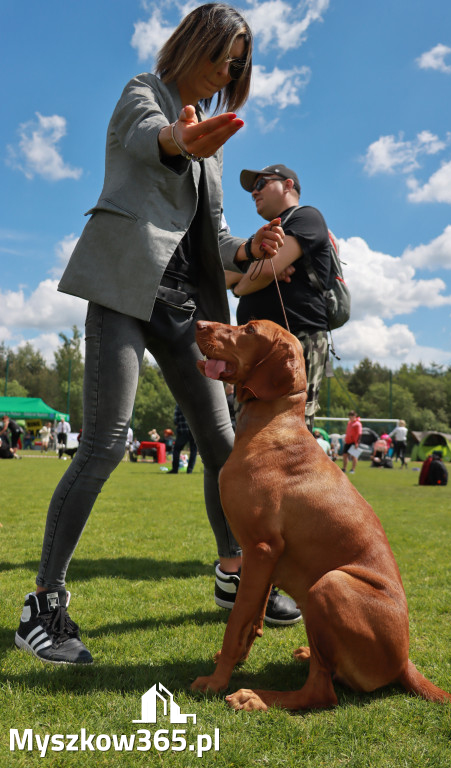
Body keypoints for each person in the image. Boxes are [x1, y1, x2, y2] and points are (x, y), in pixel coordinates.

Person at [15, 3, 299, 667]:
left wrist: (247, 248)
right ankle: (44, 605)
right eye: (224, 57)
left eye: (239, 65)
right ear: (194, 45)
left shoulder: (218, 151)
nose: (230, 70)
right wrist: (179, 139)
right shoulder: (144, 92)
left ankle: (233, 572)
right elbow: (153, 136)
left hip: (186, 308)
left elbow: (216, 238)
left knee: (224, 445)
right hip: (122, 287)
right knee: (109, 441)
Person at [226, 164, 332, 432]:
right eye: (252, 190)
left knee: (292, 430)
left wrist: (243, 284)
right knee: (248, 427)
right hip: (256, 346)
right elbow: (225, 276)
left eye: (261, 184)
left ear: (287, 185)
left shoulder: (306, 217)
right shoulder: (260, 240)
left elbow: (264, 272)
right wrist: (254, 270)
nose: (254, 192)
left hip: (296, 338)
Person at [171, 404, 198, 474]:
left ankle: (175, 469)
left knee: (176, 450)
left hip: (183, 431)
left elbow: (175, 420)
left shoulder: (179, 404)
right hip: (194, 431)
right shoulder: (195, 403)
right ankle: (189, 470)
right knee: (193, 451)